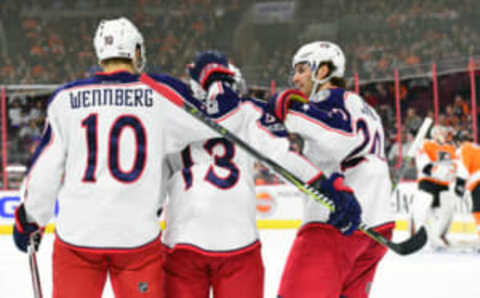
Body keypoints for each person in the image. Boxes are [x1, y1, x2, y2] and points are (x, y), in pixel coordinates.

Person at [11, 18, 273, 298]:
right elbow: (219, 121)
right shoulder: (161, 93)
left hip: (78, 236)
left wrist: (31, 219)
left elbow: (45, 171)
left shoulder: (66, 99)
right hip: (135, 239)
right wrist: (218, 81)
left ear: (100, 53)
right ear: (136, 53)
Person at [159, 51, 362, 298]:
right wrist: (327, 190)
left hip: (182, 242)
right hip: (239, 243)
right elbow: (282, 159)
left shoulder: (174, 117)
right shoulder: (247, 110)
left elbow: (156, 185)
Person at [267, 41, 395, 298]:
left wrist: (292, 111)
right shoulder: (363, 107)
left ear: (323, 71)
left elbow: (340, 138)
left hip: (337, 225)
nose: (296, 78)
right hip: (377, 228)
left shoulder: (331, 99)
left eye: (303, 69)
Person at [412, 125, 457, 249]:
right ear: (434, 134)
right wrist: (440, 172)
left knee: (447, 210)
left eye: (445, 132)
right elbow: (424, 165)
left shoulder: (449, 148)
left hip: (443, 185)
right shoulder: (426, 144)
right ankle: (419, 237)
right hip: (427, 182)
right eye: (441, 132)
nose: (444, 135)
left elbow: (452, 167)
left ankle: (438, 236)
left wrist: (449, 174)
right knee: (422, 208)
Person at [454, 141, 480, 240]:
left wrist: (460, 183)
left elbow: (463, 167)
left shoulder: (465, 147)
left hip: (478, 182)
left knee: (478, 211)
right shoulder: (476, 149)